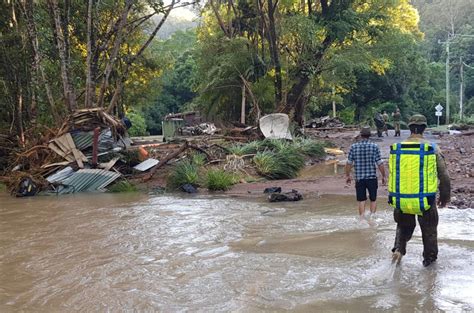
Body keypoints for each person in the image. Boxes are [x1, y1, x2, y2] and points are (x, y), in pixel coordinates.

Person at [388, 114, 451, 267]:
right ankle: (429, 264)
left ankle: (398, 250)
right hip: (425, 200)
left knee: (403, 227)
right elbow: (444, 176)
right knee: (429, 232)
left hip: (401, 199)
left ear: (409, 128)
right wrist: (444, 196)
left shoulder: (397, 148)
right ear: (424, 128)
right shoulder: (432, 148)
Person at [345, 126, 386, 218]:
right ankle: (372, 218)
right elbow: (380, 163)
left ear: (361, 135)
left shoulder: (354, 147)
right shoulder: (374, 146)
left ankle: (362, 219)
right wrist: (384, 176)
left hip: (359, 178)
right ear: (369, 135)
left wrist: (347, 175)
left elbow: (349, 163)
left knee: (361, 200)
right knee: (373, 199)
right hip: (371, 178)